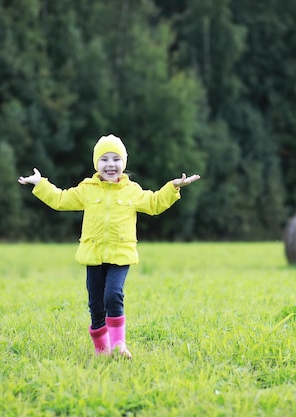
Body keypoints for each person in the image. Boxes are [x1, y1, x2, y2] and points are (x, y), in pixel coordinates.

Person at [18, 134, 200, 358]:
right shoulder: (87, 189)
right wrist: (40, 184)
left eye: (116, 159)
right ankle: (101, 350)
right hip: (93, 254)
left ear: (124, 163)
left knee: (113, 295)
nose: (111, 164)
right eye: (104, 159)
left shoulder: (132, 191)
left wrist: (172, 188)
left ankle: (119, 345)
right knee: (96, 305)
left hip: (120, 254)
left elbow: (153, 204)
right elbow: (61, 200)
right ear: (96, 164)